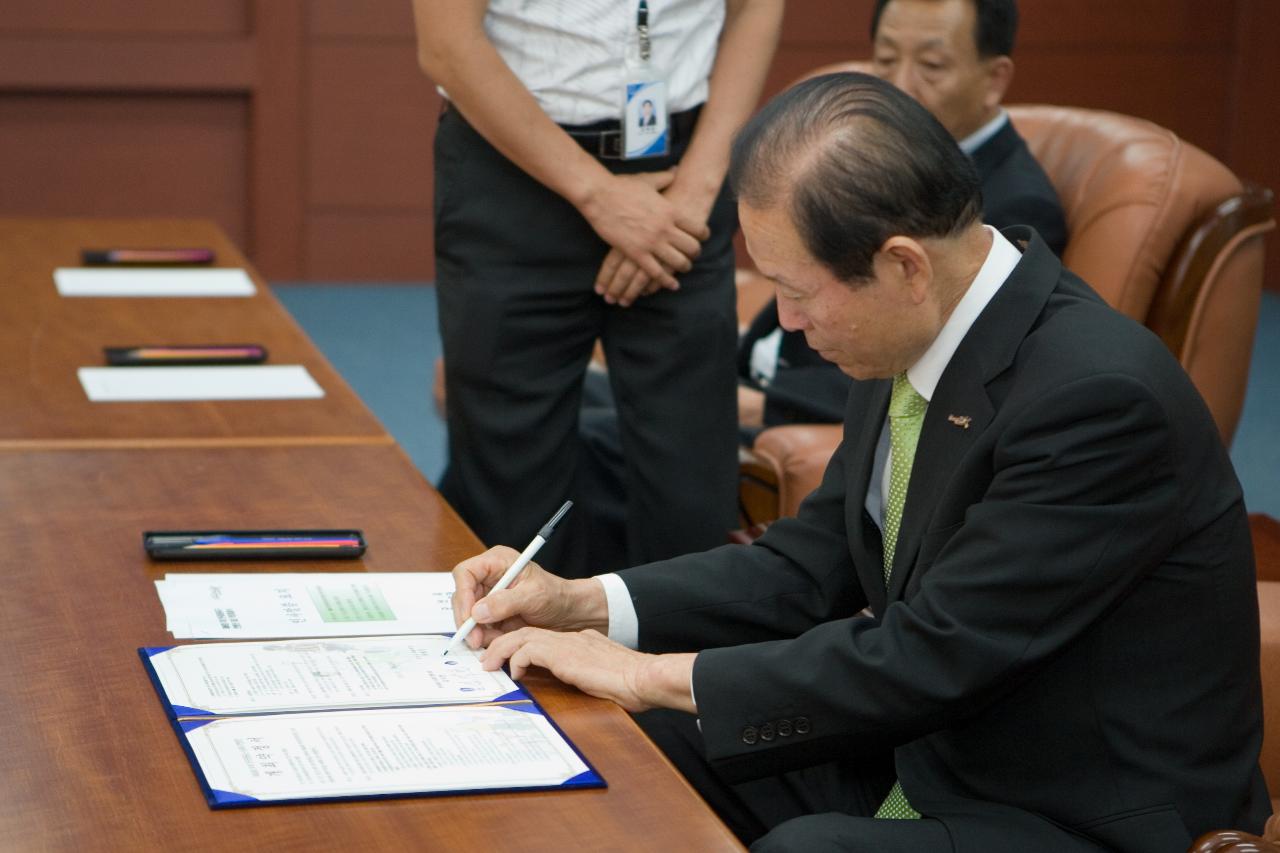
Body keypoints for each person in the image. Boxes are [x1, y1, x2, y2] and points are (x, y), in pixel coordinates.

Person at [448, 73, 1269, 851]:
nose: (787, 322)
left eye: (795, 289)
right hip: (929, 748)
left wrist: (646, 671)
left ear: (904, 265)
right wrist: (587, 603)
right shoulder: (916, 335)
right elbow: (809, 568)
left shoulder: (1099, 401)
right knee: (618, 743)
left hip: (1081, 810)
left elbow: (931, 652)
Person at [410, 0, 784, 579]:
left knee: (691, 480)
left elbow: (756, 8)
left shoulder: (690, 193)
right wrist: (600, 198)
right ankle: (523, 665)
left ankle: (675, 665)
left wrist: (697, 193)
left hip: (683, 173)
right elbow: (447, 45)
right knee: (512, 484)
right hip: (515, 167)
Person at [739, 0, 1067, 433]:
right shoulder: (856, 159)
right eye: (886, 60)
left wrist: (754, 405)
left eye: (931, 65)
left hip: (786, 412)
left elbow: (931, 364)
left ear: (994, 79)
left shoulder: (1011, 204)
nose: (900, 85)